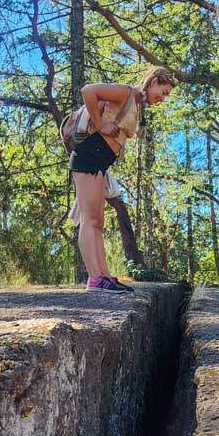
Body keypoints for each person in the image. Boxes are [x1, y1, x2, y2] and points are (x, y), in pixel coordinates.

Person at [69, 66, 176, 293]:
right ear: (154, 81)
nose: (162, 99)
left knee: (98, 221)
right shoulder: (126, 93)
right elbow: (88, 91)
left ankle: (105, 276)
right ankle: (94, 278)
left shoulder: (136, 103)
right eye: (163, 92)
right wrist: (99, 125)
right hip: (88, 156)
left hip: (99, 162)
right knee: (89, 219)